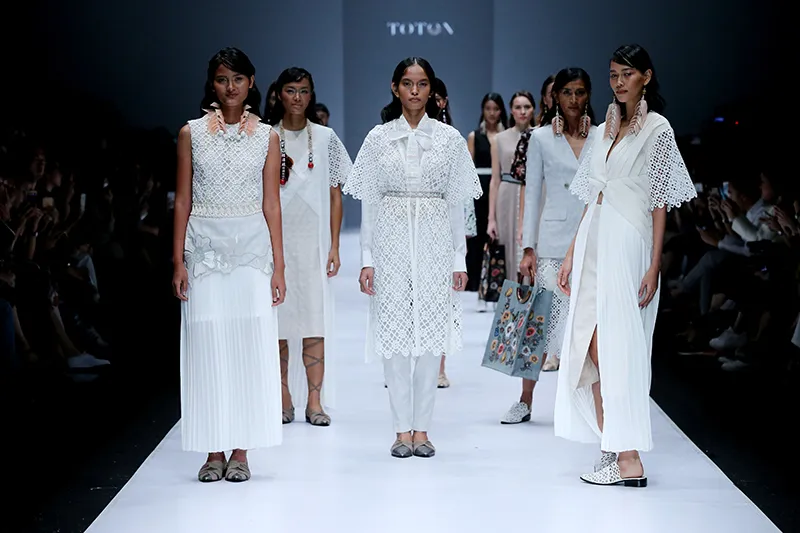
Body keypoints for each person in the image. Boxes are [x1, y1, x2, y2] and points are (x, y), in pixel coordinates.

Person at [553, 45, 696, 487]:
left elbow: (660, 202)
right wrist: (572, 252)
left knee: (617, 346)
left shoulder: (657, 128)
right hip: (595, 237)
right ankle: (613, 447)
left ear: (646, 77)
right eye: (613, 74)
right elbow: (592, 194)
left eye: (627, 74)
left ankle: (628, 457)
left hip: (627, 240)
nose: (618, 82)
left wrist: (654, 264)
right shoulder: (602, 130)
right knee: (590, 342)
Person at [344, 57, 481, 458]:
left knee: (431, 338)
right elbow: (370, 201)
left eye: (422, 84)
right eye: (407, 83)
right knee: (395, 336)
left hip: (436, 240)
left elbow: (456, 202)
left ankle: (422, 430)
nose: (415, 91)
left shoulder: (449, 139)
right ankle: (401, 430)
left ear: (431, 89)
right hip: (390, 240)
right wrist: (366, 258)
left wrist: (459, 260)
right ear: (395, 88)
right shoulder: (378, 138)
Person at [173, 47, 286, 483]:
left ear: (251, 82)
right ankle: (213, 449)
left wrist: (279, 267)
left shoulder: (267, 136)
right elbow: (182, 200)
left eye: (238, 78)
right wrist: (178, 260)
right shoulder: (191, 133)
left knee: (249, 342)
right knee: (207, 344)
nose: (231, 87)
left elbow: (271, 204)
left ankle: (241, 450)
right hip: (203, 251)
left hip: (252, 253)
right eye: (223, 79)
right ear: (213, 83)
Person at [500, 68, 597, 425]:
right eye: (566, 92)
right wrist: (528, 248)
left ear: (588, 95)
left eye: (580, 92)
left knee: (589, 328)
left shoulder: (602, 136)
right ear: (555, 97)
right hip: (553, 242)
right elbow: (532, 194)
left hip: (593, 238)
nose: (573, 99)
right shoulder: (540, 138)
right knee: (538, 325)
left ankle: (591, 409)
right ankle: (525, 400)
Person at [268, 68, 352, 426]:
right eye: (291, 90)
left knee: (315, 318)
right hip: (277, 243)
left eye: (304, 90)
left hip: (314, 243)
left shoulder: (326, 137)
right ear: (279, 94)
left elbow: (336, 194)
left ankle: (315, 400)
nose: (298, 97)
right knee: (280, 320)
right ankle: (283, 395)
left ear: (311, 93)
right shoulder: (267, 136)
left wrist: (334, 246)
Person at [487, 91, 535, 288]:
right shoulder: (499, 139)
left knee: (530, 245)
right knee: (507, 248)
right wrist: (491, 218)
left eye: (527, 107)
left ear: (533, 109)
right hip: (506, 196)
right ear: (511, 110)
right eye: (518, 107)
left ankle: (531, 296)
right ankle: (511, 300)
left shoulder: (540, 136)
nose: (522, 111)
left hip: (533, 194)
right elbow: (495, 179)